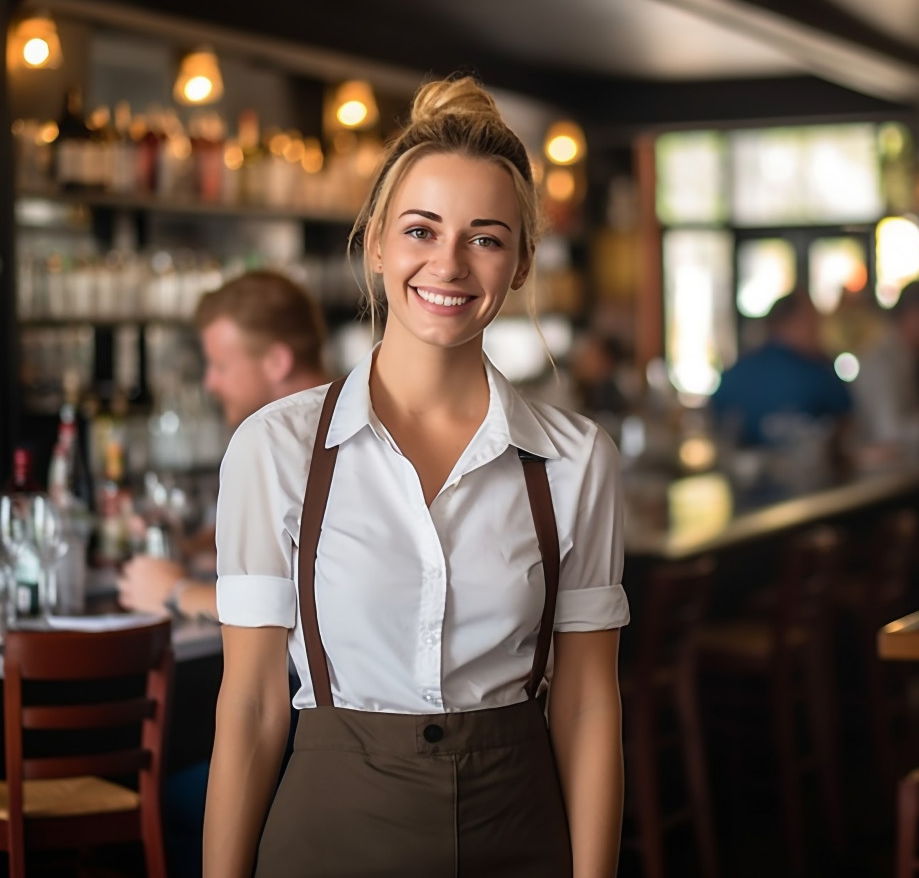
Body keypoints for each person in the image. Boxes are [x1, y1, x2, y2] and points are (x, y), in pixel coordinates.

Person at [203, 77, 629, 878]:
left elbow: (585, 704)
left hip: (520, 834)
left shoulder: (576, 461)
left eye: (487, 238)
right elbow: (254, 706)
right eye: (422, 230)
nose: (450, 264)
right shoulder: (275, 448)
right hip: (329, 839)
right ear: (375, 244)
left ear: (522, 262)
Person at [117, 270, 328, 620]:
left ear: (277, 362)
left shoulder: (309, 444)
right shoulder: (303, 432)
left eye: (220, 365)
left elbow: (309, 604)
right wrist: (195, 547)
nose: (210, 383)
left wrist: (176, 593)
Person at [711, 290, 852, 447]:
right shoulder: (817, 376)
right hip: (807, 469)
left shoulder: (734, 373)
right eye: (815, 322)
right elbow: (848, 430)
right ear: (798, 323)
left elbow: (713, 429)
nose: (820, 331)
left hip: (739, 469)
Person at [852, 279, 919, 457]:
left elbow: (914, 414)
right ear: (915, 314)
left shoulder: (904, 356)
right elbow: (889, 432)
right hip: (882, 476)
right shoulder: (882, 359)